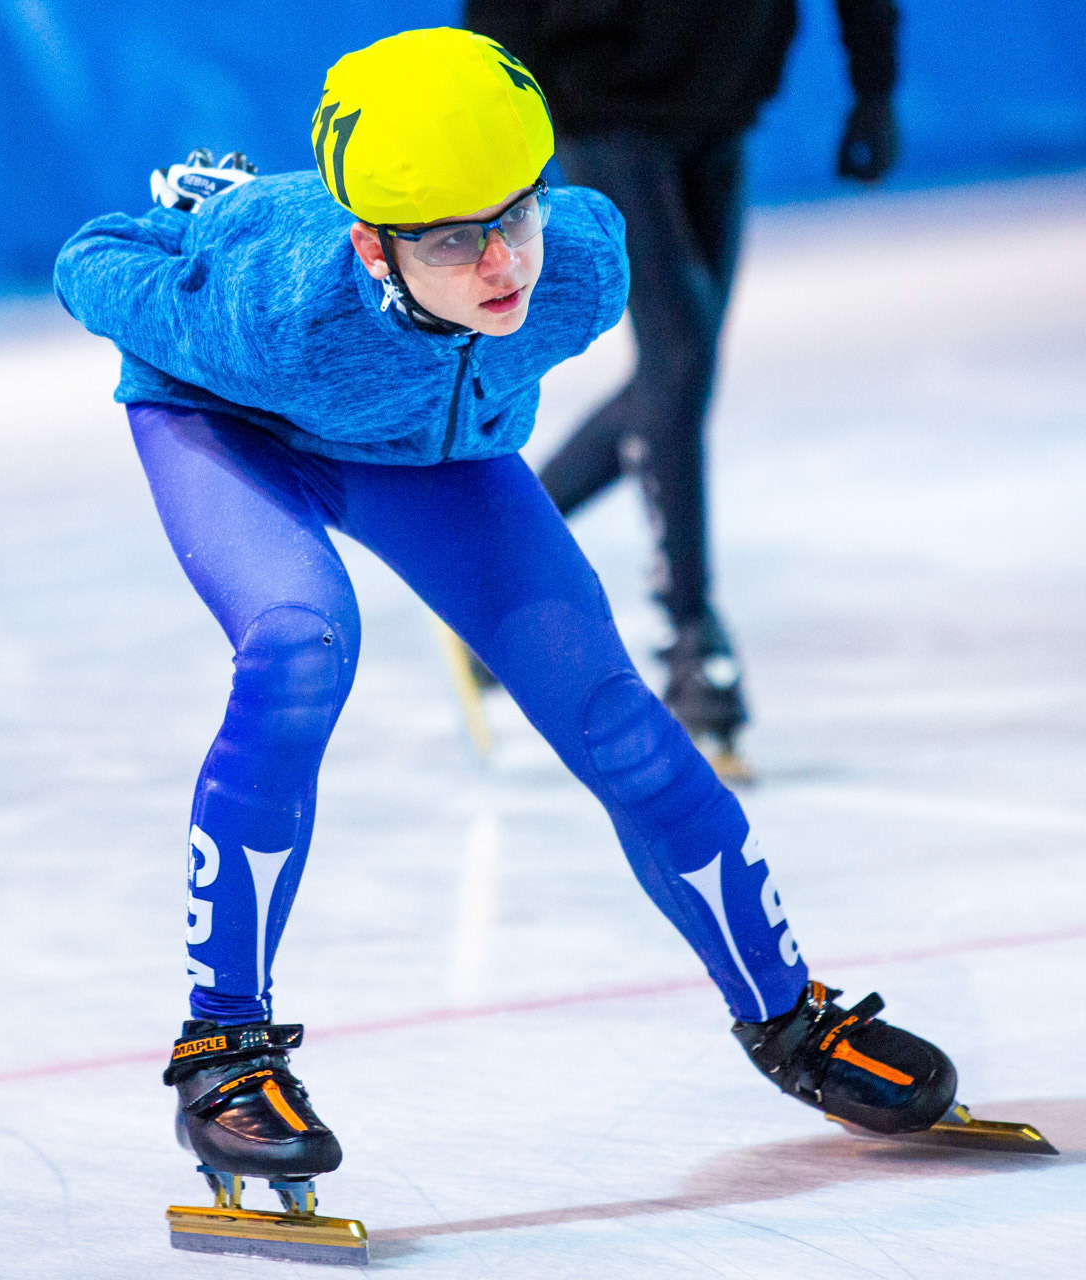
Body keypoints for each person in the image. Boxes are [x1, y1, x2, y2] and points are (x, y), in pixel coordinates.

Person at [53, 26, 1040, 1263]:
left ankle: (788, 1016)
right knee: (301, 644)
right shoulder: (270, 309)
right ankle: (223, 1049)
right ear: (373, 246)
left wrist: (473, 250)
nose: (502, 261)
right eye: (452, 239)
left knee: (615, 714)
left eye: (514, 216)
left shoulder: (580, 262)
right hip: (229, 416)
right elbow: (89, 260)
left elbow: (532, 264)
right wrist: (205, 217)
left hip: (425, 448)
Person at [460, 1, 902, 773]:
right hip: (601, 99)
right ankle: (692, 637)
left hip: (722, 101)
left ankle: (487, 546)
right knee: (679, 364)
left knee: (676, 379)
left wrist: (874, 85)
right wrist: (498, 131)